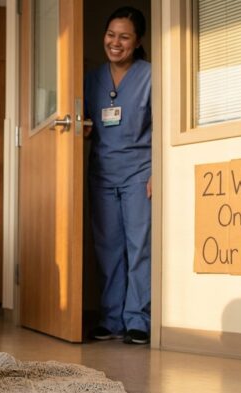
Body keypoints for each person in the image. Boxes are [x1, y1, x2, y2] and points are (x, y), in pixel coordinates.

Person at [84, 7, 152, 345]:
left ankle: (138, 319)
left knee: (139, 247)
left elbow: (163, 125)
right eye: (111, 35)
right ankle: (111, 319)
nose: (115, 42)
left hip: (140, 172)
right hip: (102, 173)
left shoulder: (150, 76)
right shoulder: (92, 78)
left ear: (137, 42)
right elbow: (84, 121)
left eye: (124, 37)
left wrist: (158, 173)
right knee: (108, 248)